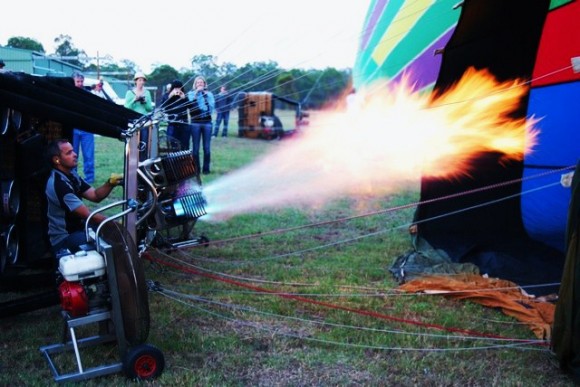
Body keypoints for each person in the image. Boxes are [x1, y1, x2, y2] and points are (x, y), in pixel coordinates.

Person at [45, 139, 123, 255]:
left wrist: (110, 183)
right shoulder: (59, 185)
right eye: (69, 153)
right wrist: (117, 226)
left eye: (73, 151)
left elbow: (95, 195)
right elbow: (91, 216)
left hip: (79, 230)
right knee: (108, 245)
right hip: (63, 239)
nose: (75, 154)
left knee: (109, 237)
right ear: (57, 160)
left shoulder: (71, 175)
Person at [71, 71, 95, 183]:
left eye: (81, 81)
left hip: (87, 129)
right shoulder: (69, 94)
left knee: (88, 155)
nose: (80, 83)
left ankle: (89, 178)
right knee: (72, 154)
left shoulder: (88, 94)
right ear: (73, 81)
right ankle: (72, 176)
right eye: (78, 81)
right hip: (74, 129)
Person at [187, 75, 215, 174]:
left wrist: (204, 95)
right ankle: (196, 169)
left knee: (206, 148)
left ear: (204, 84)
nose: (200, 84)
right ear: (195, 84)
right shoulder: (190, 93)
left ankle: (206, 169)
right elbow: (189, 104)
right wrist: (196, 93)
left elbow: (211, 108)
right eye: (198, 83)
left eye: (201, 83)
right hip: (195, 123)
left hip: (207, 123)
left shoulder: (209, 94)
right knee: (195, 148)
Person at [124, 72, 154, 160]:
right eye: (139, 80)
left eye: (143, 80)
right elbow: (126, 107)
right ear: (136, 81)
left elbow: (149, 108)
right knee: (133, 142)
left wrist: (144, 102)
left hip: (144, 120)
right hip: (133, 120)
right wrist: (134, 100)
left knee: (144, 142)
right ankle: (132, 161)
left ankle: (142, 160)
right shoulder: (130, 93)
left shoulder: (147, 93)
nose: (141, 82)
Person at [164, 79, 192, 151]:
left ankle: (184, 161)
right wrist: (169, 97)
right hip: (172, 125)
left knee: (185, 146)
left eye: (179, 87)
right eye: (175, 87)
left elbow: (191, 107)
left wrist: (184, 98)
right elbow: (164, 108)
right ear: (172, 88)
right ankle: (174, 161)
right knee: (173, 147)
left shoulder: (184, 96)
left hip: (184, 124)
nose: (177, 89)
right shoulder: (167, 96)